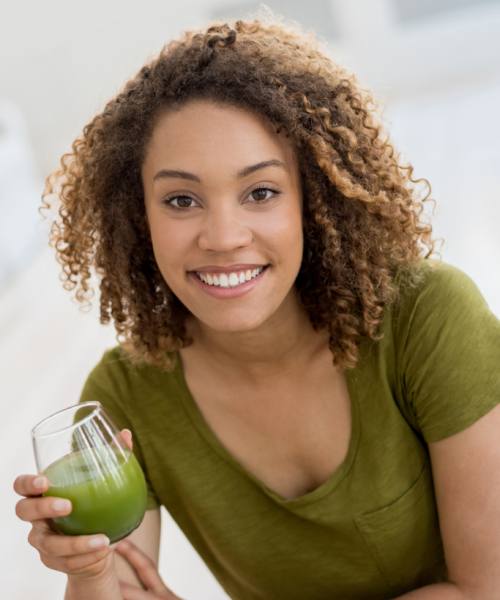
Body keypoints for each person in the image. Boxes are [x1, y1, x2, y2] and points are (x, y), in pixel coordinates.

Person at [13, 15, 500, 600]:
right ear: (139, 217)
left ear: (312, 197)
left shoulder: (428, 318)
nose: (222, 236)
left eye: (261, 192)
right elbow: (126, 588)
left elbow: (484, 589)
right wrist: (88, 572)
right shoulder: (128, 396)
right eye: (181, 200)